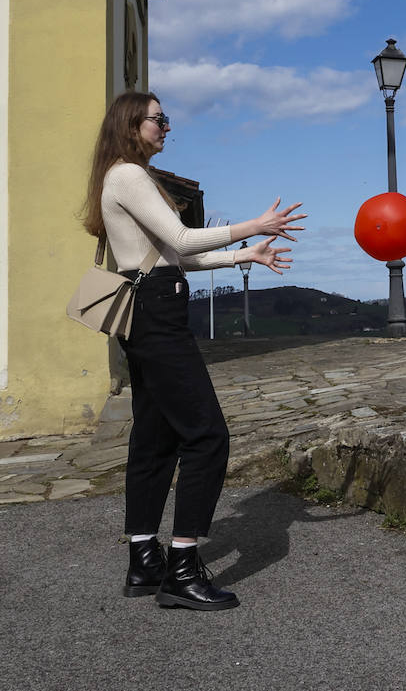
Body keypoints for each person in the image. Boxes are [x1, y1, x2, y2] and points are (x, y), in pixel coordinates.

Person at [80, 91, 306, 611]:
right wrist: (255, 225)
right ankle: (182, 567)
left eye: (165, 120)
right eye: (158, 120)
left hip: (151, 305)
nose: (165, 128)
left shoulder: (121, 176)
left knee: (156, 436)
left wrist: (244, 254)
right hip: (157, 316)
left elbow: (165, 258)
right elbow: (181, 241)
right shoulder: (130, 176)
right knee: (207, 436)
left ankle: (144, 559)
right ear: (132, 123)